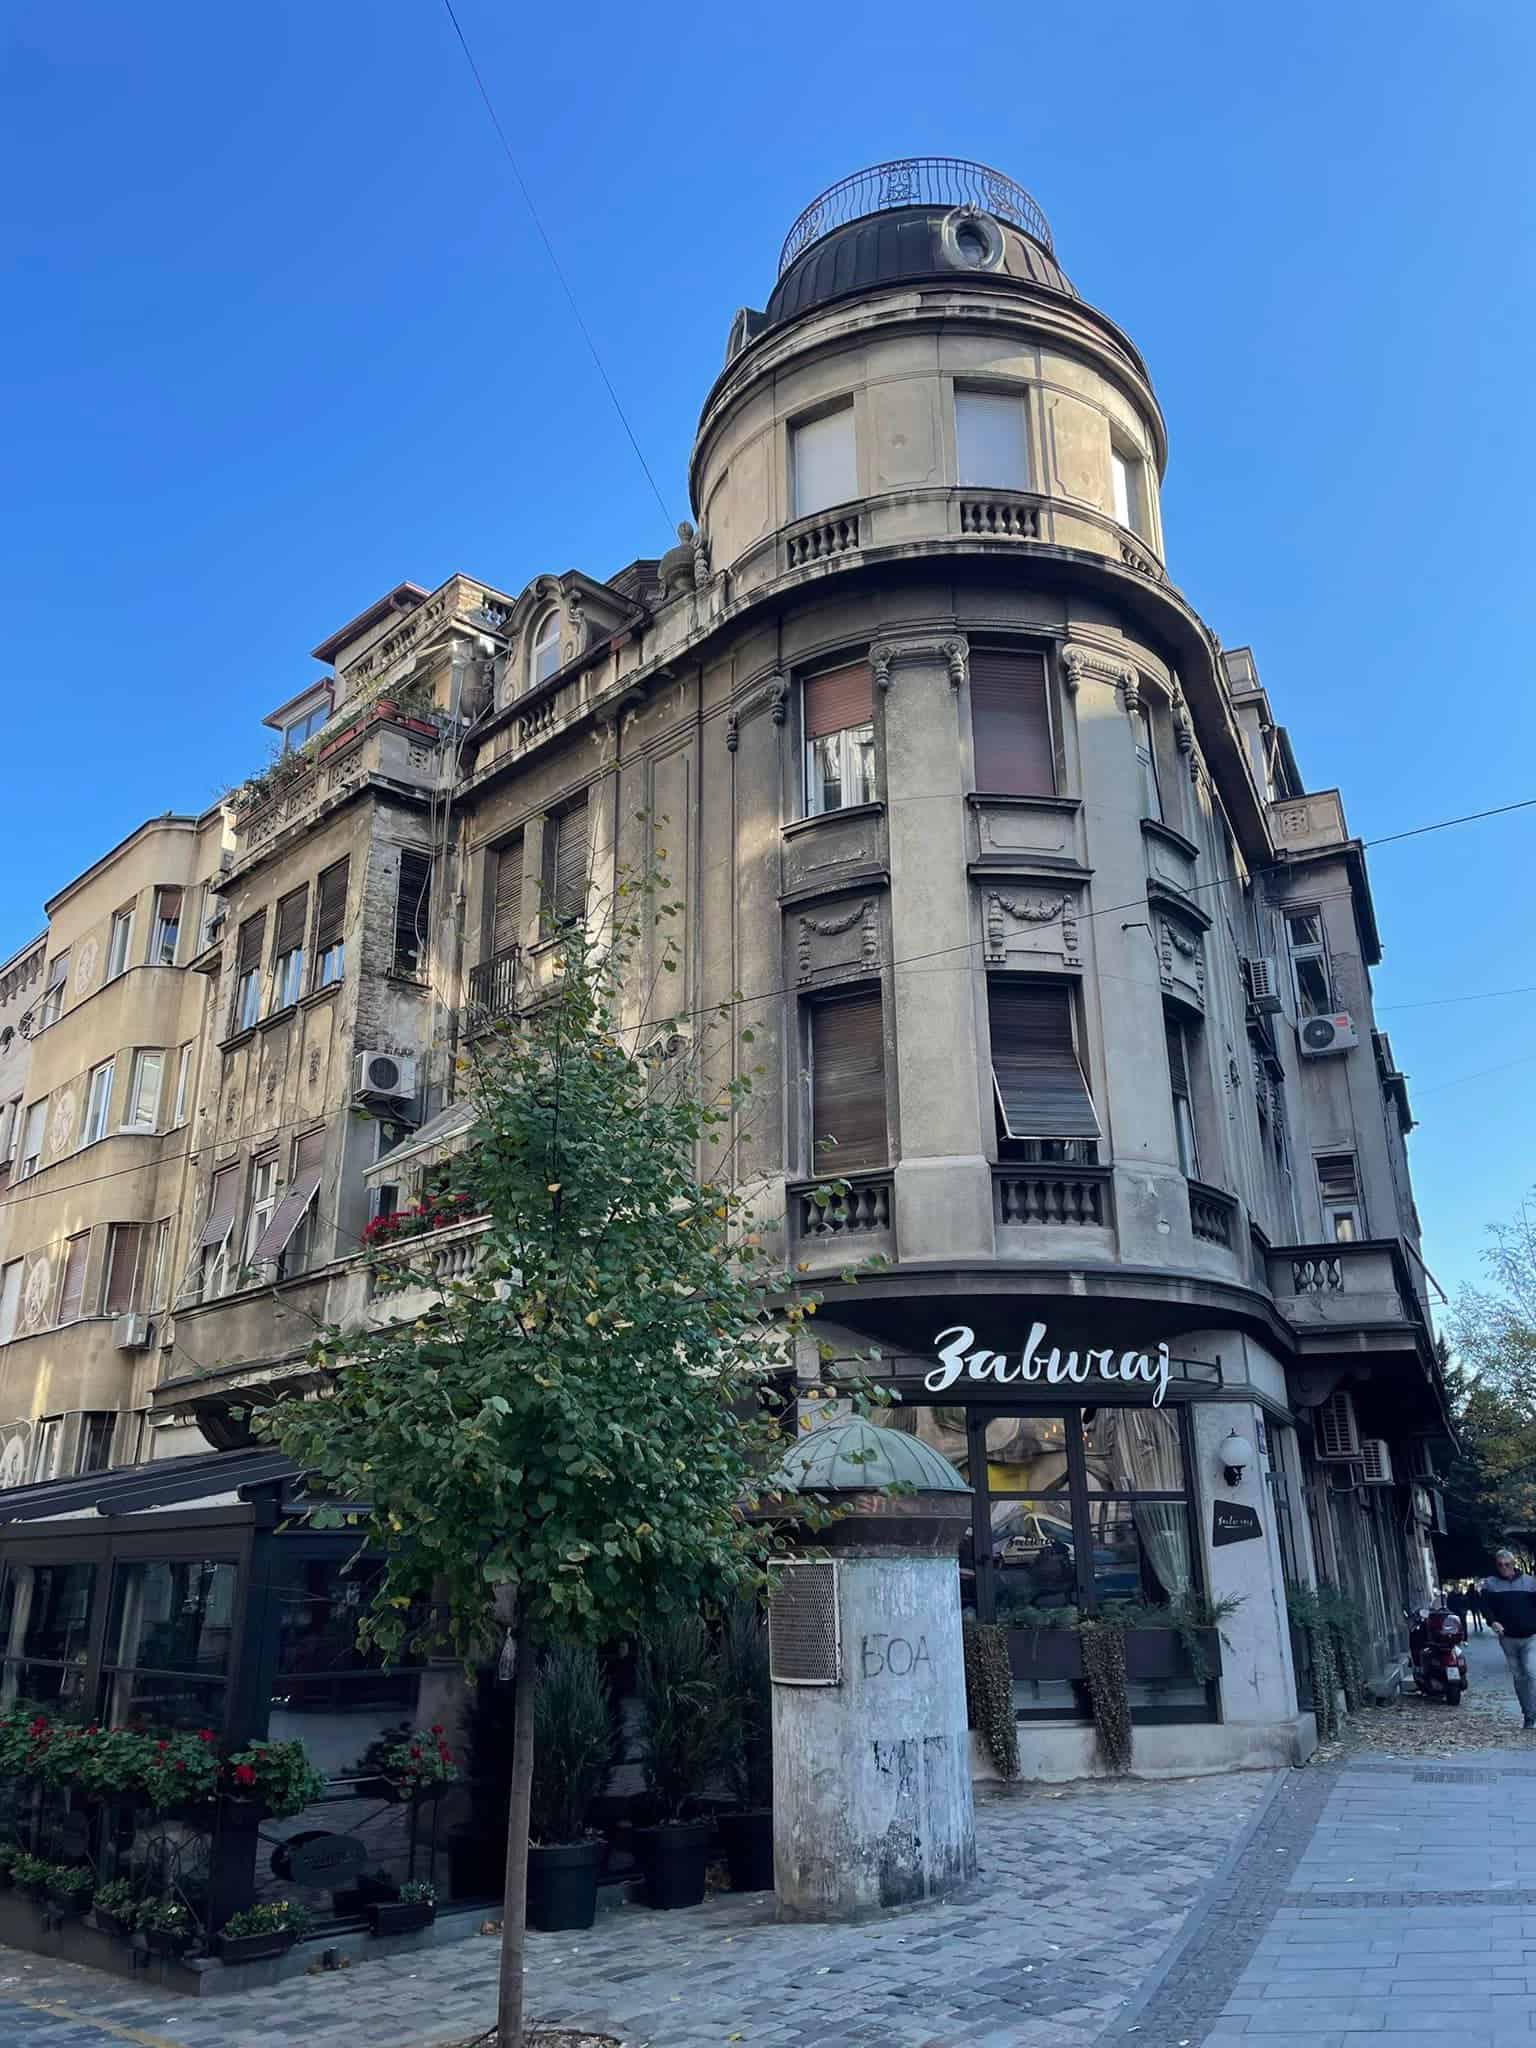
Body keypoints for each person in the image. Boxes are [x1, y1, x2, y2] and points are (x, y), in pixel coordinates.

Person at [1478, 1549, 1536, 1728]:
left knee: (1531, 1672)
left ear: (1514, 1564)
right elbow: (1485, 1606)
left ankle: (1533, 1710)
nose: (1504, 1567)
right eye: (1500, 1564)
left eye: (1507, 1564)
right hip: (1507, 1638)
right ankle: (1528, 1715)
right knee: (1519, 1678)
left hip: (1530, 1636)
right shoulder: (1491, 1584)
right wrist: (1492, 1622)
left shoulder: (1530, 1582)